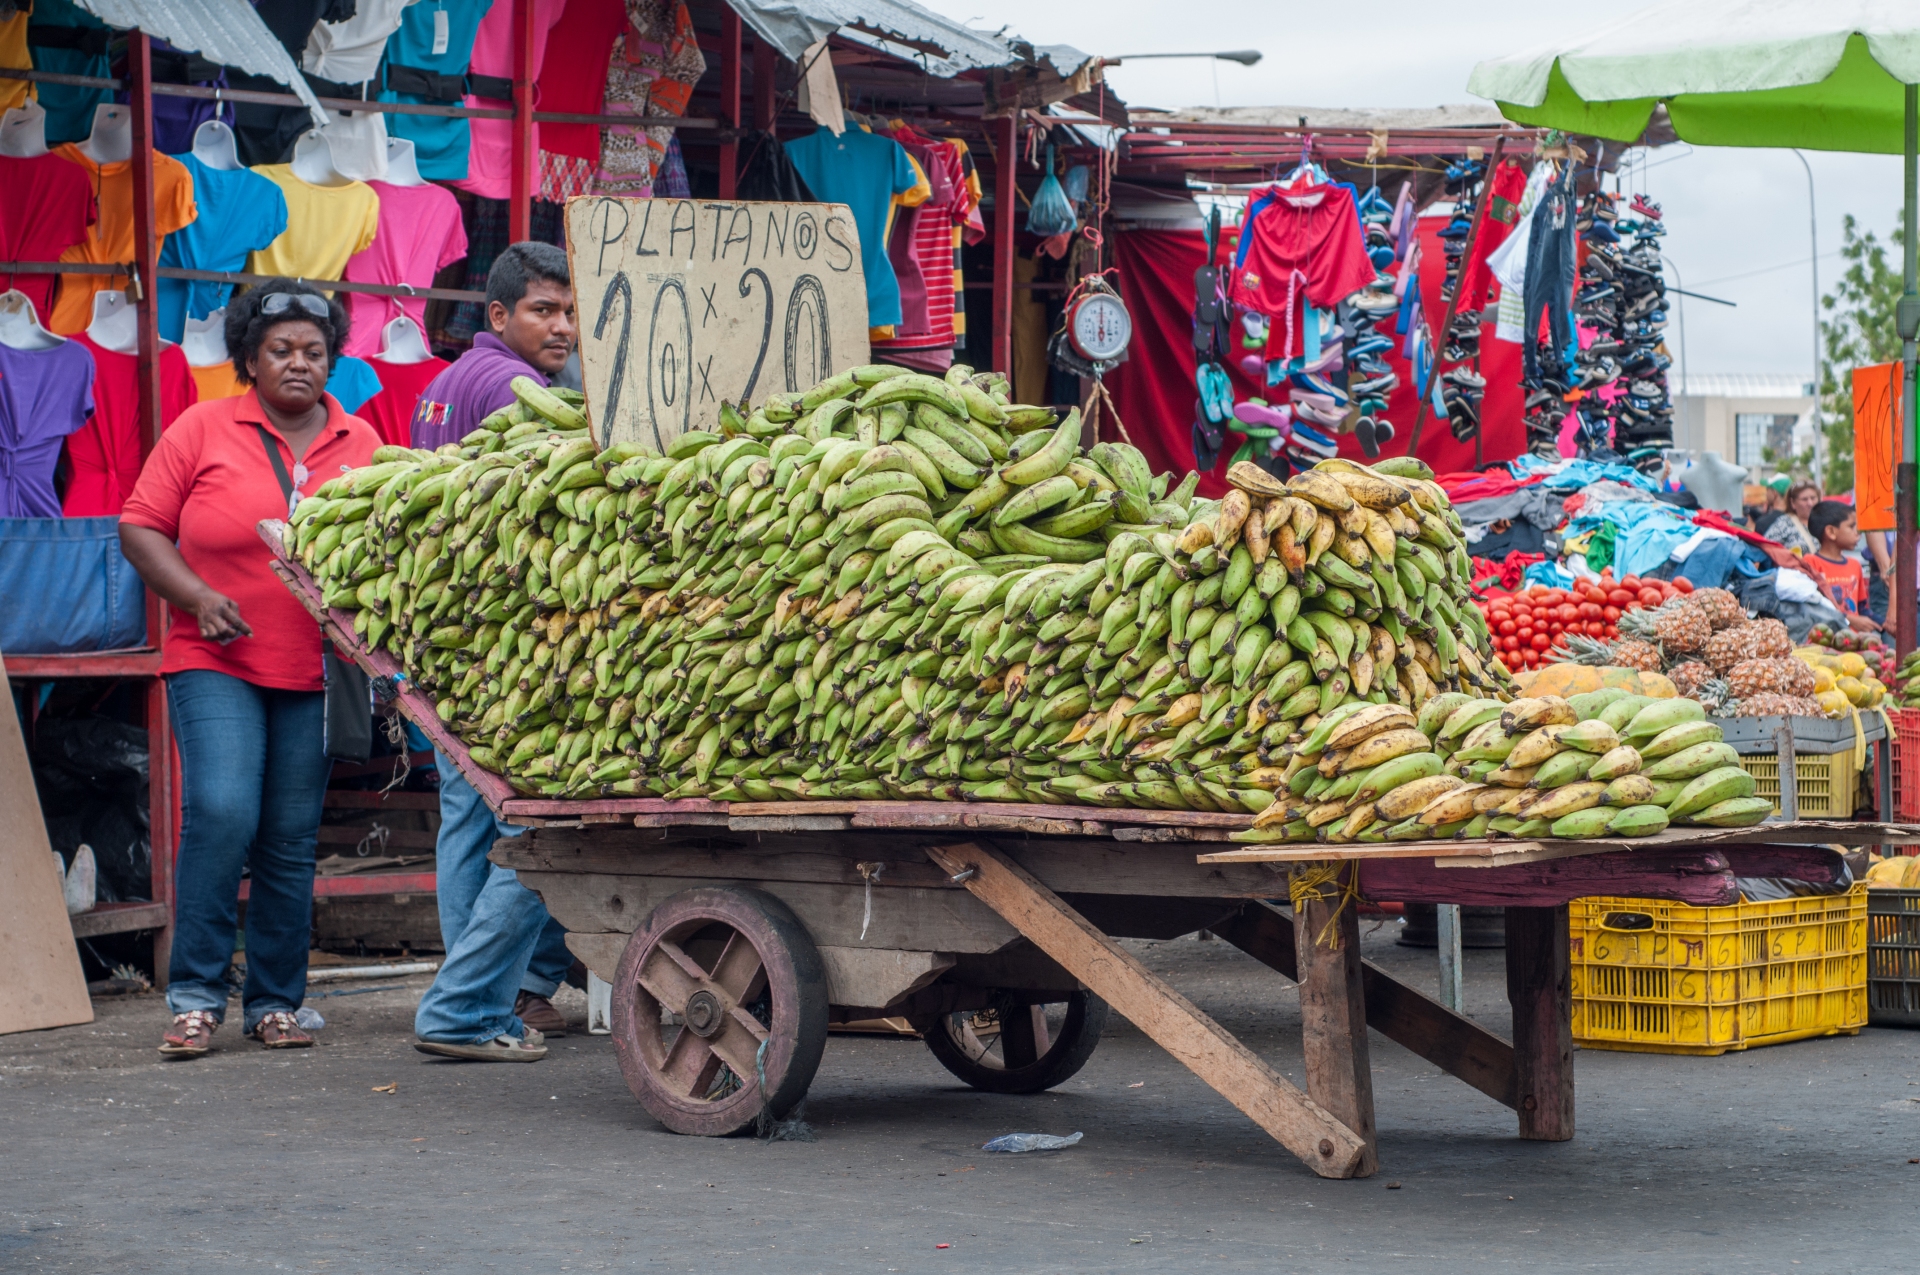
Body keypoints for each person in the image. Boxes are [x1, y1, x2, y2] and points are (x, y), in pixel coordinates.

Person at [119, 282, 382, 1058]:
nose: (300, 363)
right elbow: (139, 527)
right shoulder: (203, 427)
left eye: (315, 351)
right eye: (281, 350)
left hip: (315, 669)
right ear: (249, 358)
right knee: (226, 810)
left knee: (289, 836)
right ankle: (197, 994)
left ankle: (275, 1001)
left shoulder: (361, 444)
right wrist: (198, 598)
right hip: (215, 655)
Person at [410, 242, 578, 1062]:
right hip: (503, 654)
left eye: (570, 311)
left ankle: (477, 994)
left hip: (449, 645)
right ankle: (469, 1003)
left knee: (469, 823)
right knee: (542, 825)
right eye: (545, 310)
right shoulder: (515, 390)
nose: (564, 326)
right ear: (500, 315)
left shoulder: (442, 387)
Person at [1804, 500, 1880, 633]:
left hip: (1853, 641)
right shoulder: (1811, 563)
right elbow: (1813, 607)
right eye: (1851, 526)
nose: (1858, 532)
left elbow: (1862, 609)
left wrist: (1886, 624)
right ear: (1831, 531)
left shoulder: (1854, 565)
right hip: (1824, 639)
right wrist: (1849, 619)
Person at [1768, 480, 1821, 556]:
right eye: (1804, 499)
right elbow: (1768, 550)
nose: (1810, 503)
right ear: (1792, 502)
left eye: (1813, 498)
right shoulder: (1783, 524)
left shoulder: (1827, 521)